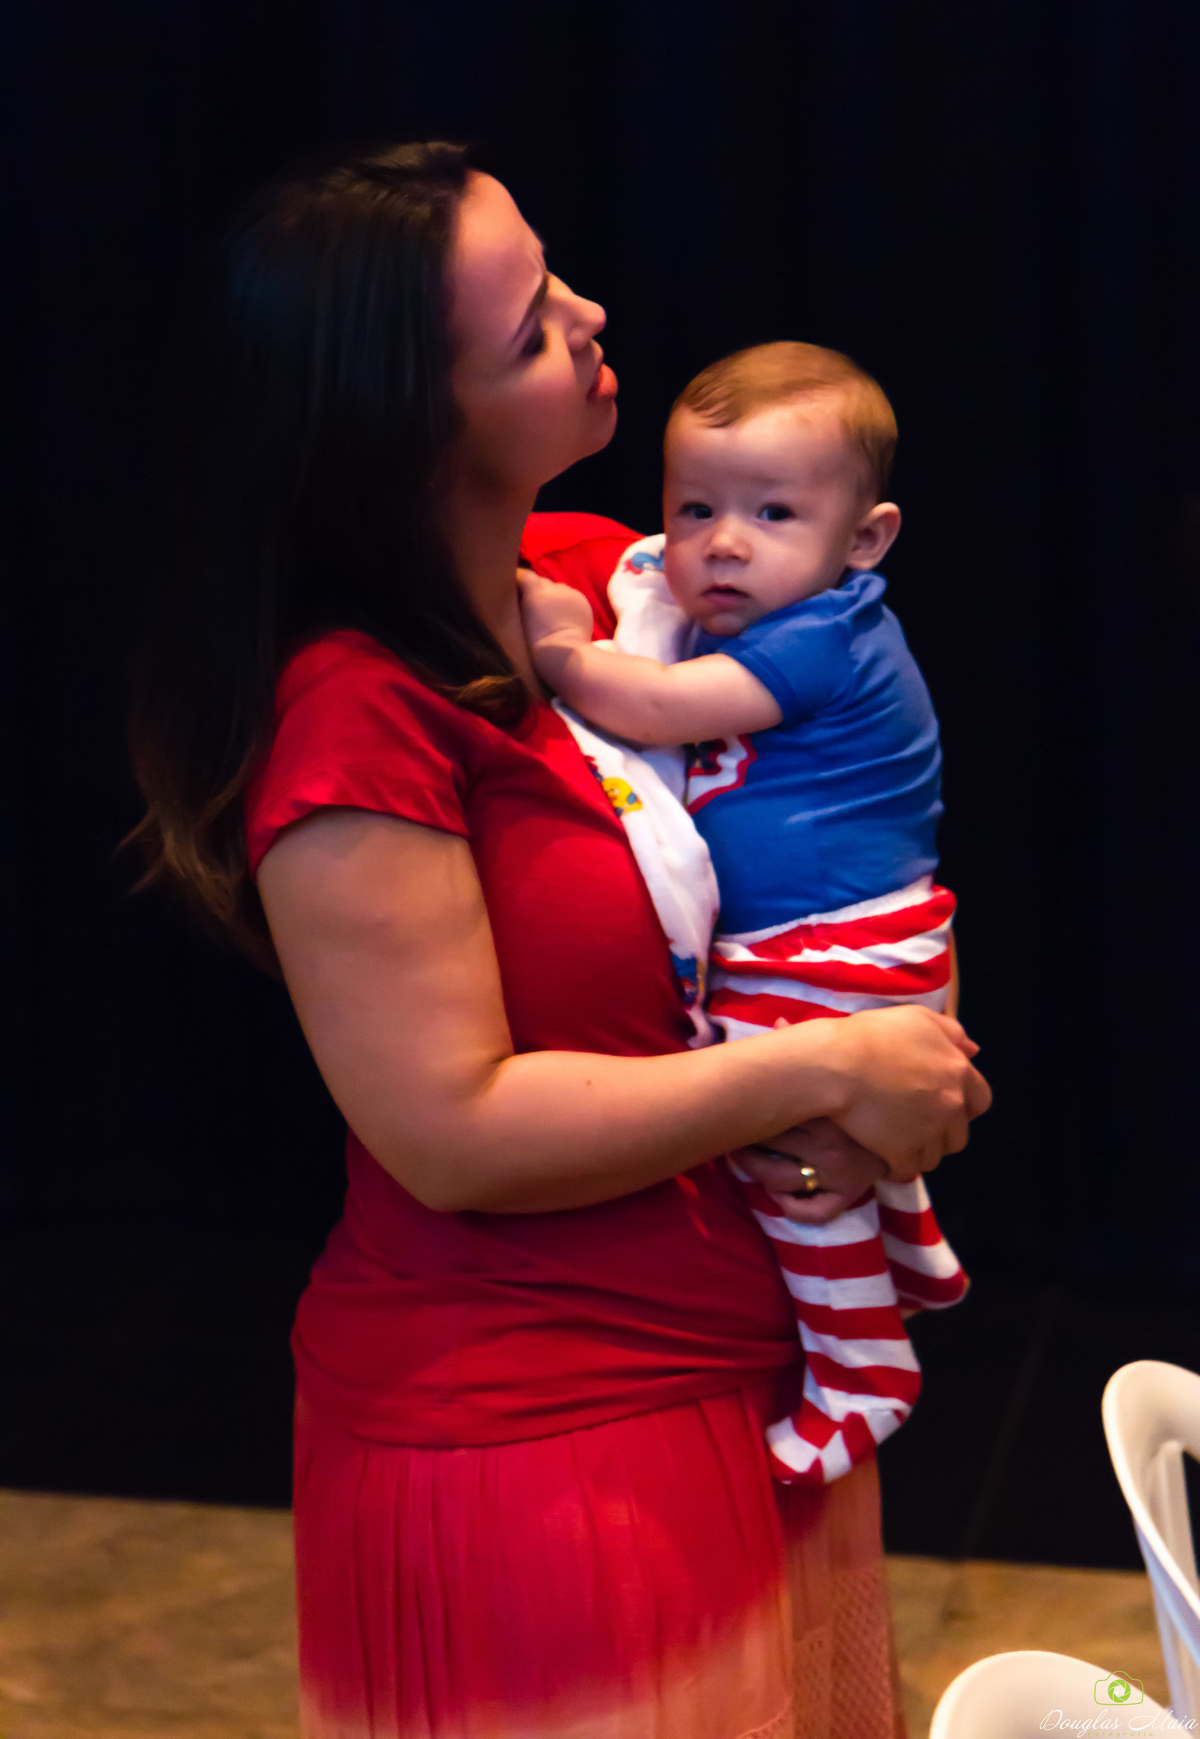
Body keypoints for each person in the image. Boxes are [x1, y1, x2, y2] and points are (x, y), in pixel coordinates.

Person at [129, 142, 989, 1739]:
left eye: (559, 277)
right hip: (550, 1435)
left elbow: (849, 833)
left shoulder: (628, 577)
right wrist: (828, 1066)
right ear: (408, 427)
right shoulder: (353, 730)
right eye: (533, 327)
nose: (595, 316)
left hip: (758, 1374)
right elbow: (453, 1129)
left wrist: (890, 1066)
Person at [521, 341, 968, 1490]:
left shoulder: (823, 637)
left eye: (773, 513)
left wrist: (566, 649)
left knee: (786, 1168)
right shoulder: (740, 611)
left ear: (863, 540)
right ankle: (907, 1257)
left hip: (834, 945)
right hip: (837, 941)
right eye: (695, 507)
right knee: (815, 1146)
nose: (721, 543)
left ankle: (867, 1368)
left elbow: (661, 708)